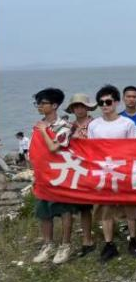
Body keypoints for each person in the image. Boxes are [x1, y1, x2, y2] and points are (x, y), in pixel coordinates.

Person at [87, 85, 136, 262]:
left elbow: (134, 148)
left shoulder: (127, 124)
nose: (104, 105)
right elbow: (91, 150)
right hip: (104, 172)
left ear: (116, 102)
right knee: (106, 209)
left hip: (124, 171)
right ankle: (109, 244)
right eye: (101, 102)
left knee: (130, 208)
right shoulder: (94, 125)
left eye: (108, 101)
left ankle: (133, 240)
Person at [31, 88, 78, 265]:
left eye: (43, 103)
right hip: (43, 175)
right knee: (44, 211)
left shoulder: (64, 126)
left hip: (60, 174)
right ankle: (48, 244)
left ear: (55, 105)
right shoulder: (39, 125)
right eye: (38, 103)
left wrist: (44, 131)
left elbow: (54, 148)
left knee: (65, 210)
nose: (39, 106)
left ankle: (65, 245)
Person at [65, 93, 99, 257]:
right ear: (72, 109)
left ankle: (107, 236)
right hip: (76, 169)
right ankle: (86, 239)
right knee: (81, 207)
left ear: (87, 108)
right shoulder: (68, 127)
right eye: (76, 107)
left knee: (101, 205)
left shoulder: (96, 124)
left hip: (93, 168)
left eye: (82, 106)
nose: (79, 109)